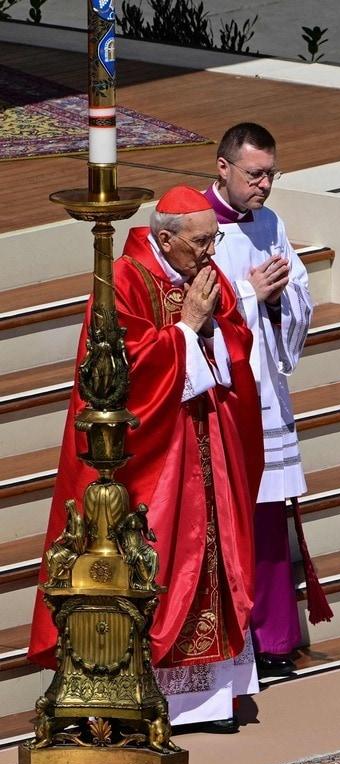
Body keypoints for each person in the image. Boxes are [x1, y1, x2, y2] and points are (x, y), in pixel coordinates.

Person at [29, 185, 264, 733]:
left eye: (215, 239)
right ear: (165, 238)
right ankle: (143, 694)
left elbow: (235, 337)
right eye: (201, 241)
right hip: (153, 460)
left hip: (208, 443)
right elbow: (117, 371)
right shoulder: (124, 280)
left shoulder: (204, 273)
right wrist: (185, 330)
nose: (211, 251)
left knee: (215, 554)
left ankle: (213, 700)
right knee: (162, 560)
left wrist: (210, 327)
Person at [204, 122, 330, 680]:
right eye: (255, 175)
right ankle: (235, 641)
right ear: (223, 167)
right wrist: (252, 297)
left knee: (269, 513)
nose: (264, 186)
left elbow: (298, 292)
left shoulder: (271, 223)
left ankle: (275, 637)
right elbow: (194, 309)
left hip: (267, 390)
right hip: (222, 392)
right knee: (230, 516)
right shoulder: (194, 226)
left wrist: (278, 302)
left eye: (271, 174)